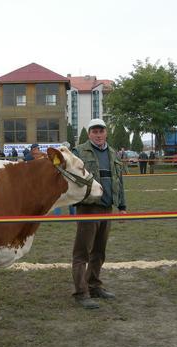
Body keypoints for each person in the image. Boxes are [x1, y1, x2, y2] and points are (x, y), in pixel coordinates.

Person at [72, 118, 127, 309]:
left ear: (106, 133)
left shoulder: (113, 154)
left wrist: (122, 206)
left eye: (101, 131)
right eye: (94, 131)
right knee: (82, 252)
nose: (98, 134)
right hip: (88, 208)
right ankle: (81, 293)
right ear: (89, 134)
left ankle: (94, 285)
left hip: (107, 209)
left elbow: (119, 181)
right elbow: (71, 180)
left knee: (99, 251)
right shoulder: (78, 152)